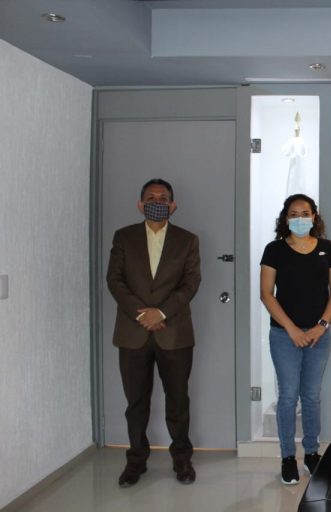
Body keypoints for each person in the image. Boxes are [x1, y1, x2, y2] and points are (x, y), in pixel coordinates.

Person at [106, 178, 201, 487]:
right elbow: (114, 280)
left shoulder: (187, 240)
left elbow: (191, 282)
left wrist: (160, 313)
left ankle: (182, 459)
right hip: (132, 332)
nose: (157, 202)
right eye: (150, 197)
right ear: (140, 204)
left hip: (174, 332)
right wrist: (142, 314)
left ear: (172, 206)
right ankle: (136, 461)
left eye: (163, 198)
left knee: (178, 401)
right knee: (136, 403)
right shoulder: (124, 237)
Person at [260, 194, 331, 485]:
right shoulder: (274, 250)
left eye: (305, 213)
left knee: (311, 395)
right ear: (285, 218)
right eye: (293, 214)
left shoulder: (327, 248)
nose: (299, 218)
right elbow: (266, 294)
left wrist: (321, 325)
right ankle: (287, 457)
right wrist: (292, 329)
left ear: (314, 216)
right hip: (285, 335)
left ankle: (311, 453)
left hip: (319, 334)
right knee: (288, 396)